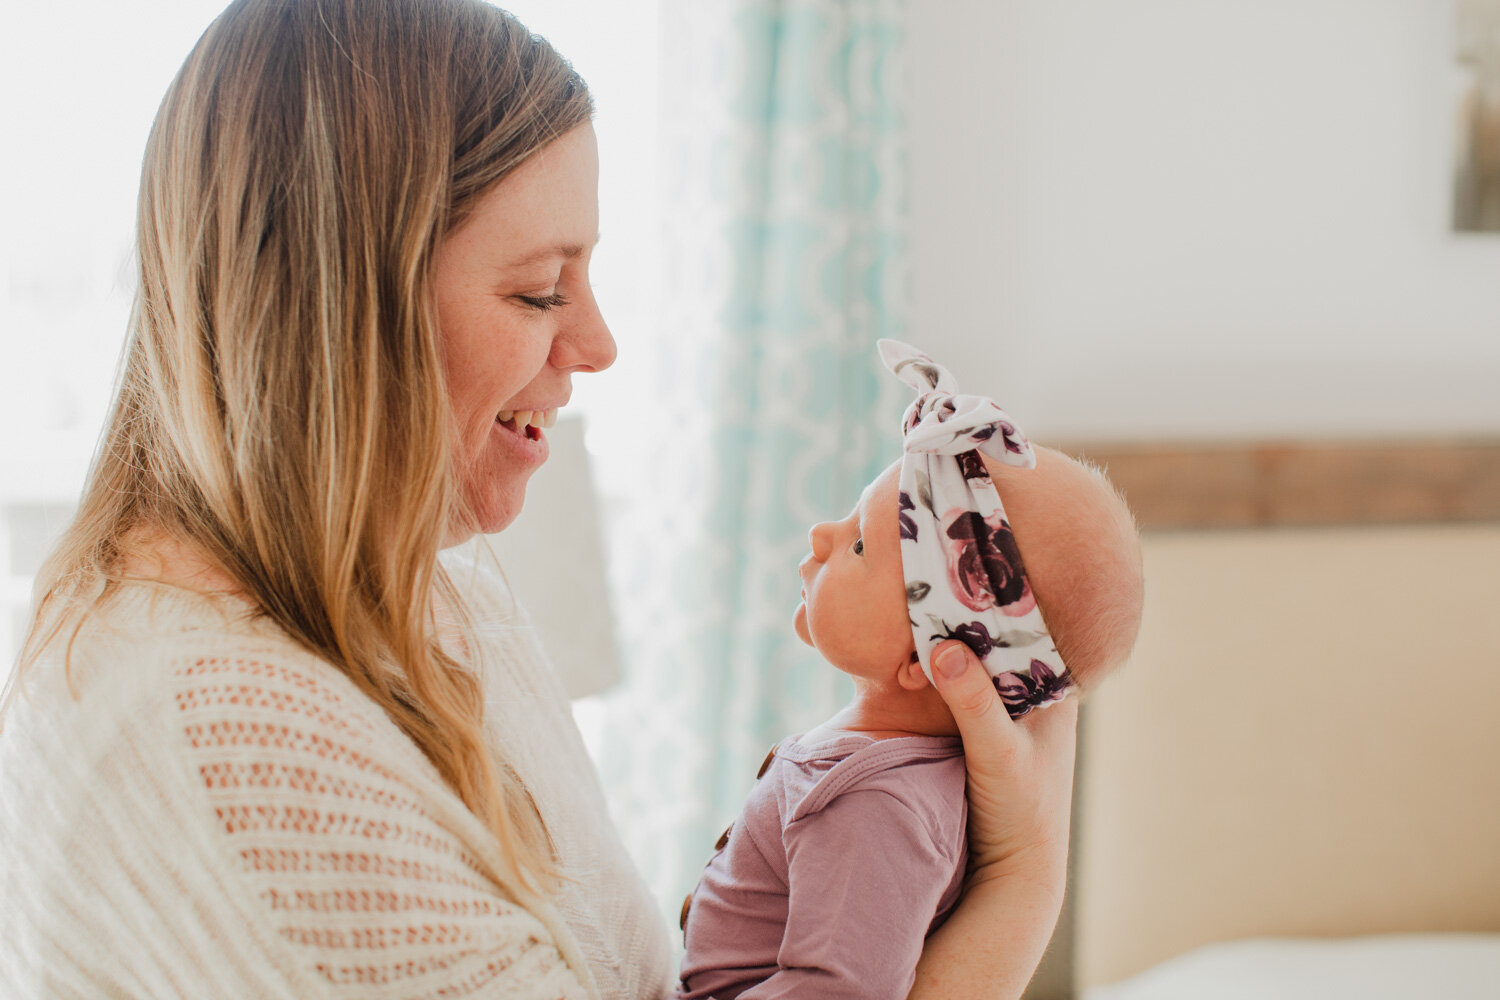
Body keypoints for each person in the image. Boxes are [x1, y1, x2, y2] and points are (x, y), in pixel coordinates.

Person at [0, 2, 1088, 998]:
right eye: (536, 289)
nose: (600, 343)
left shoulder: (438, 592)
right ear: (334, 310)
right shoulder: (239, 745)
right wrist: (1027, 882)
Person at [676, 342, 1145, 1000]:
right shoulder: (880, 768)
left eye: (862, 544)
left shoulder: (878, 806)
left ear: (931, 657)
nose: (821, 535)